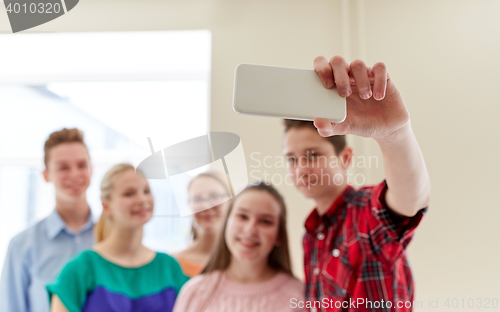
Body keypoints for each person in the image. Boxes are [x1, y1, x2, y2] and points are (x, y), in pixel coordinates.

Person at [283, 56, 431, 311]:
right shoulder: (310, 235)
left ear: (346, 158)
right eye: (292, 159)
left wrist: (395, 135)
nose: (301, 168)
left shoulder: (362, 212)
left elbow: (409, 201)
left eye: (313, 155)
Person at [46, 163, 189, 312]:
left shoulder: (170, 268)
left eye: (146, 191)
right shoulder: (80, 269)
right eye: (129, 193)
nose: (142, 199)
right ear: (106, 206)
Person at [0, 128, 95, 312]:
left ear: (91, 170)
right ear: (46, 175)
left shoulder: (113, 237)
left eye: (82, 165)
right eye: (63, 167)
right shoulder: (22, 245)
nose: (74, 174)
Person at [173, 181, 305, 312]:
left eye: (265, 221)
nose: (250, 230)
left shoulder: (300, 297)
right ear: (227, 223)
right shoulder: (194, 292)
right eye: (242, 216)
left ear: (279, 235)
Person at [174, 172, 231, 277]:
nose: (205, 205)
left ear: (230, 203)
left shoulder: (246, 263)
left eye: (214, 196)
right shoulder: (172, 263)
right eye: (197, 199)